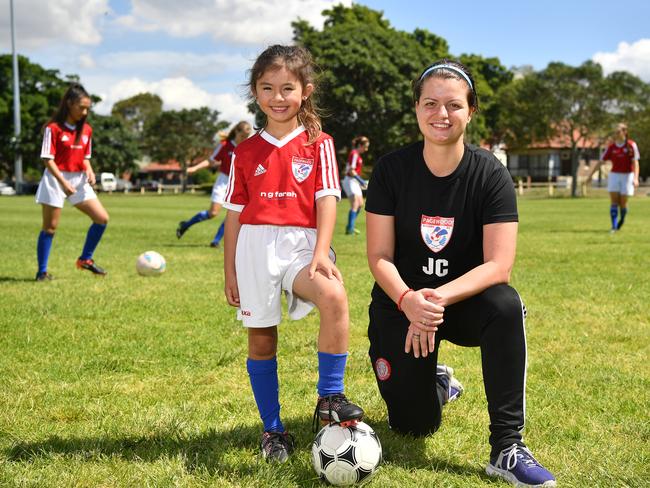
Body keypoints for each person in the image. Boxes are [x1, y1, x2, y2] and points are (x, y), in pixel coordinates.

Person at [365, 60, 556, 487]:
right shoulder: (392, 170)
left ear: (470, 111)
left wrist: (432, 301)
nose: (441, 114)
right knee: (414, 427)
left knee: (506, 304)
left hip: (460, 303)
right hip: (402, 301)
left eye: (453, 104)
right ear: (416, 108)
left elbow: (499, 265)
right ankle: (438, 382)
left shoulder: (490, 173)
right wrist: (407, 300)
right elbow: (378, 256)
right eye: (430, 103)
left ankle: (507, 447)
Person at [222, 44, 364, 463]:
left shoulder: (319, 144)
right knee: (262, 340)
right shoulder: (244, 151)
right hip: (254, 248)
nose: (277, 97)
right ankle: (273, 430)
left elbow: (327, 200)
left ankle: (329, 398)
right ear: (255, 91)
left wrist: (322, 253)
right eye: (268, 88)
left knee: (334, 296)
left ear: (305, 91)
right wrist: (230, 271)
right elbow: (233, 216)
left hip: (303, 246)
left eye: (287, 88)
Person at [34, 83, 109, 281]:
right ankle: (42, 272)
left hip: (78, 178)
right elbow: (47, 159)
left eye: (87, 108)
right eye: (81, 107)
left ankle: (85, 259)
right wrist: (63, 183)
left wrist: (89, 170)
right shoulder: (53, 128)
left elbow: (85, 156)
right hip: (55, 177)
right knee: (50, 227)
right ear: (69, 104)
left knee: (101, 219)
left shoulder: (87, 130)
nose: (84, 112)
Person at [176, 121, 252, 247]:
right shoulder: (225, 145)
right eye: (242, 136)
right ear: (237, 132)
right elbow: (211, 161)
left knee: (233, 214)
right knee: (213, 213)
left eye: (247, 137)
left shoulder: (249, 147)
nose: (244, 139)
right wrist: (194, 169)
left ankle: (215, 241)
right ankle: (185, 225)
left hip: (239, 183)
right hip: (223, 182)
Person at [586, 123, 640, 233]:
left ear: (624, 132)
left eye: (618, 132)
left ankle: (622, 219)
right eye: (615, 132)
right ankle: (614, 226)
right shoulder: (611, 147)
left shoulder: (631, 145)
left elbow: (635, 163)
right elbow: (601, 162)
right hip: (614, 175)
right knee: (614, 201)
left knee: (623, 202)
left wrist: (636, 178)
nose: (616, 134)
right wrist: (590, 176)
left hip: (628, 175)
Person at [342, 136, 370, 235]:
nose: (366, 149)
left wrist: (360, 181)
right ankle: (350, 229)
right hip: (349, 180)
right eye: (365, 147)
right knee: (355, 203)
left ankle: (350, 226)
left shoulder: (357, 155)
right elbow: (351, 171)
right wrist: (362, 181)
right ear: (360, 145)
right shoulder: (354, 154)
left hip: (354, 181)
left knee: (360, 204)